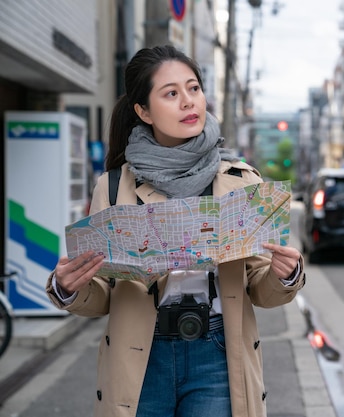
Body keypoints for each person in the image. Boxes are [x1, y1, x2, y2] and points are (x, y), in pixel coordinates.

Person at [45, 45, 305, 417]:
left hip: (217, 354)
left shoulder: (241, 181)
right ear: (143, 111)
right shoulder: (115, 186)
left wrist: (286, 275)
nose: (189, 102)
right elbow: (103, 292)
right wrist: (69, 287)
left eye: (193, 88)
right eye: (172, 93)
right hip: (140, 354)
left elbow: (259, 286)